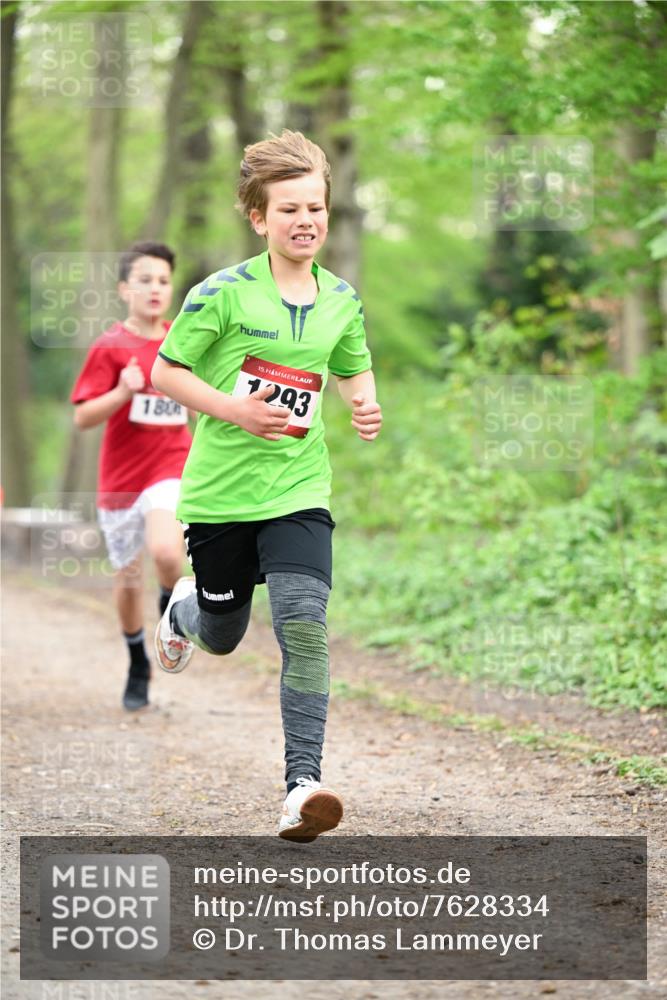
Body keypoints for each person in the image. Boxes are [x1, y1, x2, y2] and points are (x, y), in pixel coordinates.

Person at [151, 130, 382, 842]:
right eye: (289, 209)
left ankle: (301, 785)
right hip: (221, 495)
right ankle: (185, 611)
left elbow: (352, 362)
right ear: (259, 218)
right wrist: (234, 410)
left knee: (303, 623)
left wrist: (363, 402)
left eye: (316, 207)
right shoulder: (221, 293)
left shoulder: (341, 298)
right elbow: (166, 371)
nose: (306, 220)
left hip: (299, 489)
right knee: (222, 635)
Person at [71, 242, 192, 711]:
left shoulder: (183, 339)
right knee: (127, 577)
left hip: (172, 466)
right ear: (125, 289)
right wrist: (122, 391)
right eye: (145, 280)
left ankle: (169, 617)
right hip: (122, 478)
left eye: (163, 280)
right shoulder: (110, 346)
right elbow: (83, 417)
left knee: (167, 551)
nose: (155, 289)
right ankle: (137, 660)